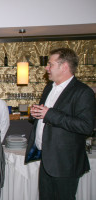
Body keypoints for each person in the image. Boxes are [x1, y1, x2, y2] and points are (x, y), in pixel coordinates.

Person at [25, 48, 95, 200]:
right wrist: (36, 114)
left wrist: (49, 114)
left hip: (65, 163)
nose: (46, 68)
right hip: (47, 160)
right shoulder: (49, 87)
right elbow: (45, 117)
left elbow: (86, 126)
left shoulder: (83, 92)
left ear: (64, 67)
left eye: (50, 64)